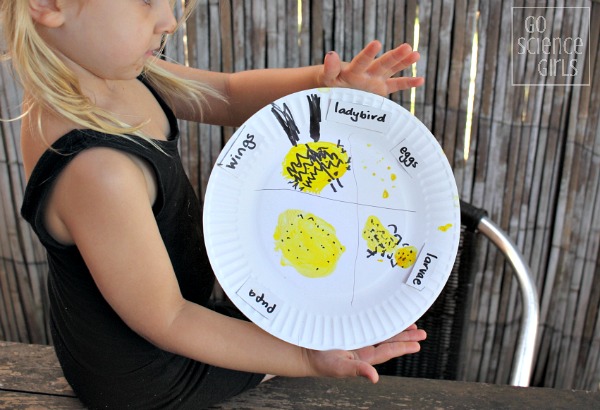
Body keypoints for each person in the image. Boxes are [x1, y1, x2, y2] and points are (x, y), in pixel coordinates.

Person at [1, 0, 427, 408]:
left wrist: (324, 86)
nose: (169, 20)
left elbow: (225, 93)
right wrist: (304, 359)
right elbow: (168, 319)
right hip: (149, 374)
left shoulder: (113, 71)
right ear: (48, 2)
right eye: (146, 0)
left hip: (179, 317)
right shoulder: (97, 171)